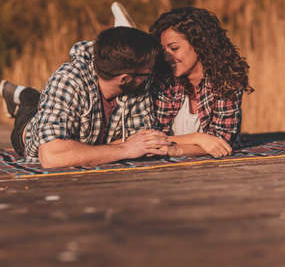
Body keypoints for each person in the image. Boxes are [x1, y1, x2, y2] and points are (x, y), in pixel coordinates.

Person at [0, 26, 172, 168]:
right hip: (27, 133)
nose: (150, 77)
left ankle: (30, 95)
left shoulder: (139, 83)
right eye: (147, 74)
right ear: (124, 79)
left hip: (71, 123)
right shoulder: (68, 79)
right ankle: (24, 95)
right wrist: (125, 148)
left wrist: (80, 151)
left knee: (42, 102)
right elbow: (52, 156)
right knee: (30, 105)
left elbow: (144, 142)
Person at [150, 7, 253, 158]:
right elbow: (150, 139)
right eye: (164, 50)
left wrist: (174, 149)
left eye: (174, 48)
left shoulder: (226, 81)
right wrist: (198, 138)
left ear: (199, 45)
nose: (167, 57)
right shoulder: (164, 81)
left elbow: (221, 142)